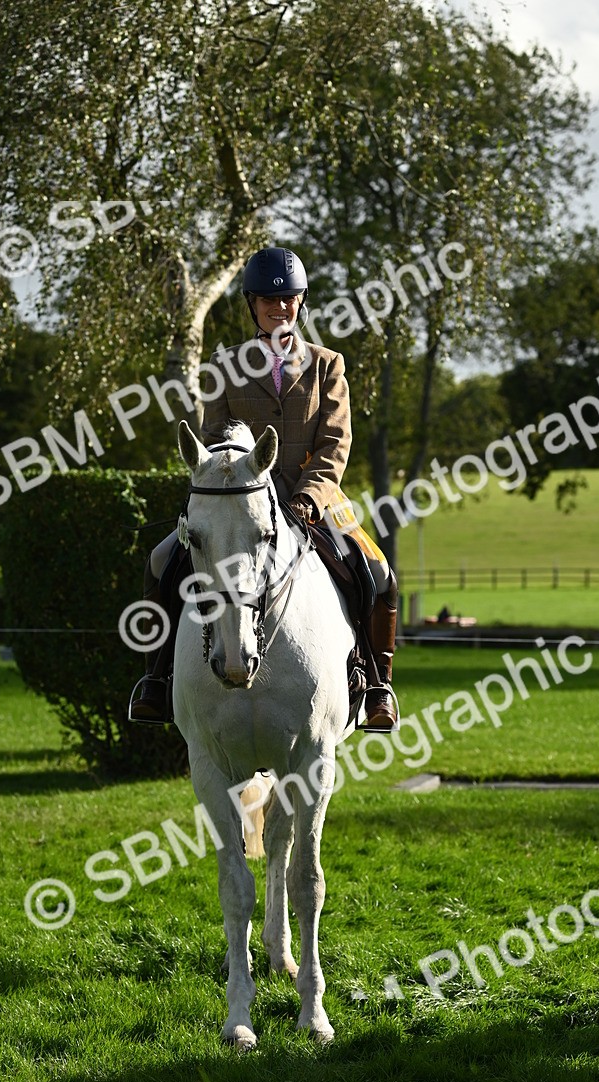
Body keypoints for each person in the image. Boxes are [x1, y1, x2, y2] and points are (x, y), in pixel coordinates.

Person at [130, 246, 399, 729]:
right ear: (251, 305)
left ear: (301, 303)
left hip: (314, 500)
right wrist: (228, 482)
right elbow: (213, 441)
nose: (280, 309)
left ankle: (377, 683)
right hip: (238, 503)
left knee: (377, 572)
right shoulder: (223, 366)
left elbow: (336, 443)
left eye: (289, 300)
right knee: (160, 561)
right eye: (269, 301)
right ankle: (157, 677)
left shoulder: (326, 365)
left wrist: (307, 499)